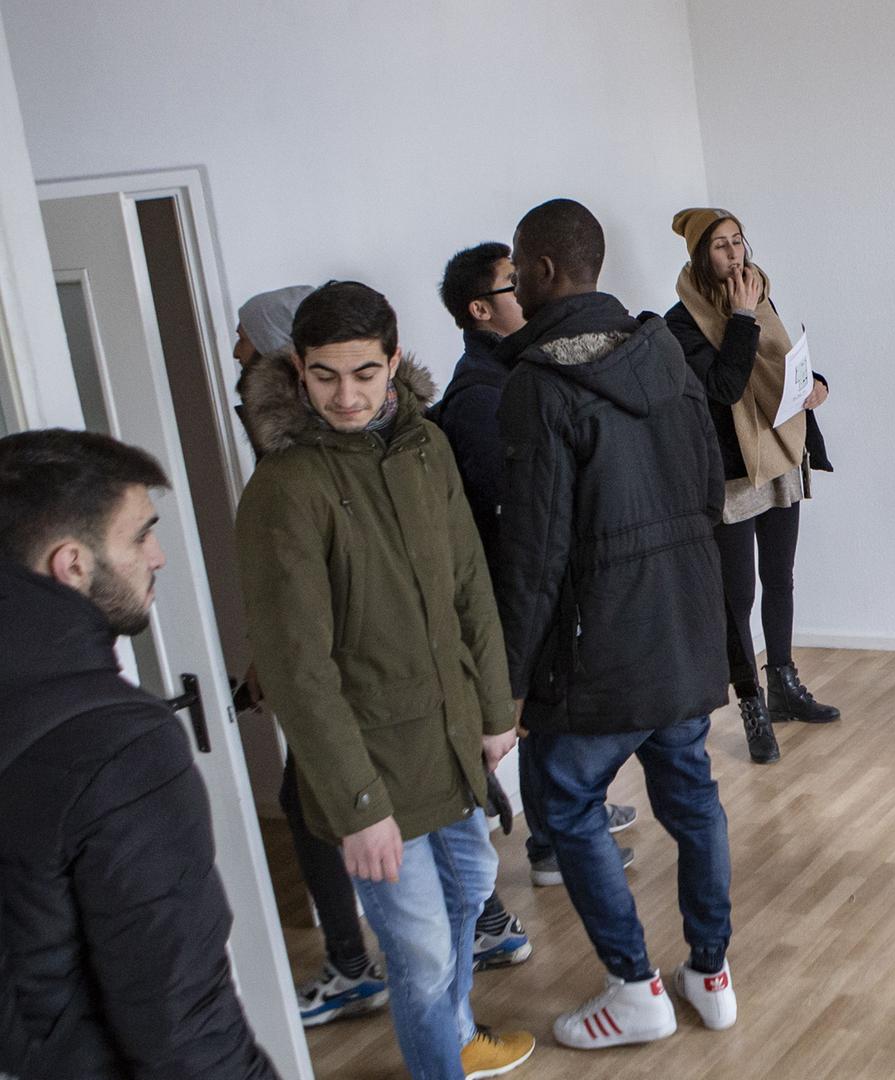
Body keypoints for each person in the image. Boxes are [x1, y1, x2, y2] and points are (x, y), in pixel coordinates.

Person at [234, 281, 535, 1078]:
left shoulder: (424, 447)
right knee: (423, 951)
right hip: (372, 767)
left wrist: (497, 707)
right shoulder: (284, 489)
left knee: (469, 894)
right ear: (298, 370)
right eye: (325, 375)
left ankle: (457, 1035)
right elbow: (298, 671)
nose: (347, 394)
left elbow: (470, 583)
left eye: (364, 372)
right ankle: (442, 1060)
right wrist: (358, 805)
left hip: (449, 739)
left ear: (393, 361)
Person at [493, 199, 738, 1050]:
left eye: (519, 265)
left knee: (563, 799)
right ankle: (711, 974)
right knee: (692, 797)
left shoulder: (538, 386)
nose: (515, 281)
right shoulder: (664, 354)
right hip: (684, 629)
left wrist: (508, 686)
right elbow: (710, 492)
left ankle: (635, 990)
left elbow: (535, 551)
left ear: (547, 272)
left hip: (603, 651)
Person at [0, 430, 278, 1079]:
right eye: (138, 536)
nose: (156, 556)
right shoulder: (120, 747)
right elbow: (182, 1022)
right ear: (72, 564)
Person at [433, 242, 641, 904]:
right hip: (516, 586)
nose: (523, 290)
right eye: (508, 284)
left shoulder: (515, 373)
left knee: (560, 714)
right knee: (546, 715)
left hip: (545, 580)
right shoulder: (479, 395)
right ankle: (553, 842)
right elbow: (515, 504)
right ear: (478, 309)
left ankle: (564, 823)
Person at [662, 208, 839, 768]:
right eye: (720, 246)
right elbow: (722, 385)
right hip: (731, 472)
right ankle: (752, 703)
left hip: (781, 453)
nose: (735, 255)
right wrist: (740, 317)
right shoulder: (679, 322)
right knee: (735, 596)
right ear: (699, 256)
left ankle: (783, 683)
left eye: (738, 241)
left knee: (779, 578)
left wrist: (818, 385)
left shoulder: (762, 296)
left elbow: (781, 365)